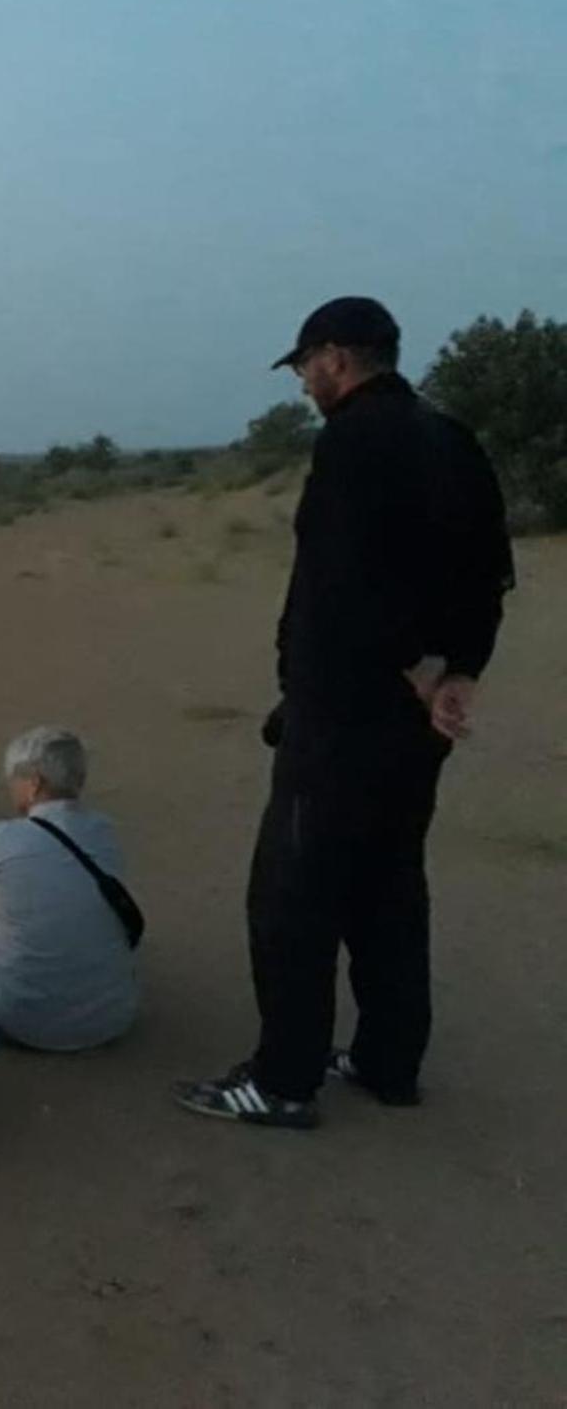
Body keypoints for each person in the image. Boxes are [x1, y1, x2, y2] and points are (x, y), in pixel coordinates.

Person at [174, 297, 514, 1128]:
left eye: (303, 366)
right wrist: (458, 672)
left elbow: (349, 586)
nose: (302, 384)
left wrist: (423, 667)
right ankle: (387, 1060)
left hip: (345, 720)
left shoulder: (354, 443)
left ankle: (284, 1079)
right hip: (411, 730)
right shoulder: (452, 437)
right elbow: (488, 576)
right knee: (388, 885)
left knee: (291, 896)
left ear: (336, 356)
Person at [0, 727, 138, 1052]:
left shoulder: (1, 839)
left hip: (22, 1021)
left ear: (34, 783)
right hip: (111, 1018)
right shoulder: (103, 830)